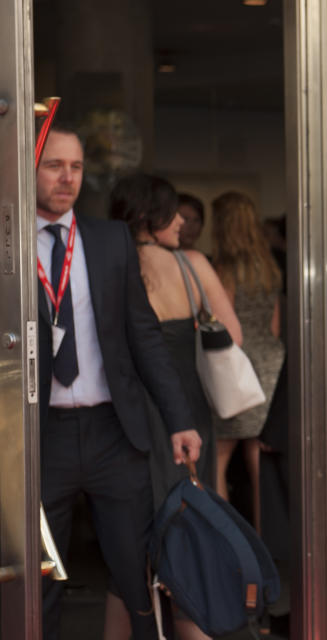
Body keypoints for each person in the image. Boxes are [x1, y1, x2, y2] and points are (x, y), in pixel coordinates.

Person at [35, 124, 202, 640]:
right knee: (41, 582)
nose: (68, 178)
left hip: (114, 431)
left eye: (77, 167)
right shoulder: (9, 241)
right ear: (28, 169)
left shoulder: (109, 242)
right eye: (54, 166)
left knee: (139, 573)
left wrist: (178, 419)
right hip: (43, 439)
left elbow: (144, 337)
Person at [101, 173, 243, 640]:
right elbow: (233, 337)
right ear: (147, 216)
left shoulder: (108, 262)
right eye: (171, 210)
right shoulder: (192, 265)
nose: (182, 219)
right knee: (191, 537)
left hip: (128, 418)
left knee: (130, 548)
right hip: (186, 414)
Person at [210, 191, 285, 533]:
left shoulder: (224, 269)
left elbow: (224, 326)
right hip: (270, 362)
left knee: (219, 461)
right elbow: (274, 325)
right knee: (258, 461)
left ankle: (226, 542)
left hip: (237, 367)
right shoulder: (268, 265)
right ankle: (263, 541)